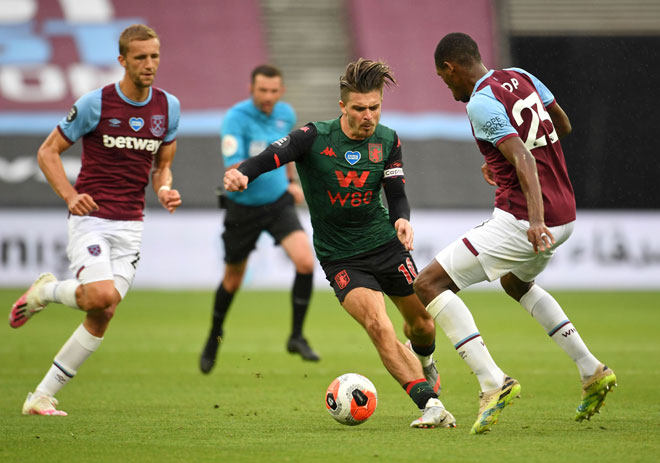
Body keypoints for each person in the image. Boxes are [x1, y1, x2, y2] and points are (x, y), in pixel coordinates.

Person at [224, 58, 455, 429]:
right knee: (379, 325)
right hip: (342, 257)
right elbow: (270, 157)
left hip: (385, 244)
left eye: (375, 107)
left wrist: (402, 219)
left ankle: (426, 361)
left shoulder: (388, 140)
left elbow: (396, 191)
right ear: (343, 107)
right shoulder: (313, 137)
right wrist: (242, 173)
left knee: (423, 325)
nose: (368, 116)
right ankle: (430, 404)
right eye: (360, 109)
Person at [413, 32, 616, 434]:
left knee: (428, 284)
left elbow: (522, 154)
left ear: (452, 68)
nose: (448, 87)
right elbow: (563, 124)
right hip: (566, 215)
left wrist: (534, 218)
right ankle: (591, 369)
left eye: (443, 78)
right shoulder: (520, 75)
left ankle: (492, 381)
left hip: (526, 219)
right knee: (515, 282)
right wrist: (500, 162)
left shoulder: (480, 101)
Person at [8, 24, 182, 416]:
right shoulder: (95, 104)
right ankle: (48, 292)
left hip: (132, 224)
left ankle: (41, 396)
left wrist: (165, 187)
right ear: (122, 61)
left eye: (154, 56)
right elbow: (48, 152)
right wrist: (70, 195)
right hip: (92, 219)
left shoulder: (168, 107)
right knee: (102, 296)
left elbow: (162, 167)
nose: (149, 64)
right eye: (140, 57)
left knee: (102, 311)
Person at [199, 65, 319, 374]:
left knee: (305, 262)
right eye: (262, 90)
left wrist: (291, 181)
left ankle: (296, 336)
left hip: (278, 203)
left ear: (281, 91)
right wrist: (242, 175)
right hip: (243, 209)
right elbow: (235, 164)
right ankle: (214, 336)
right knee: (233, 279)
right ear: (251, 88)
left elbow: (288, 152)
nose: (267, 97)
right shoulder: (235, 118)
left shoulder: (285, 114)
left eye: (273, 91)